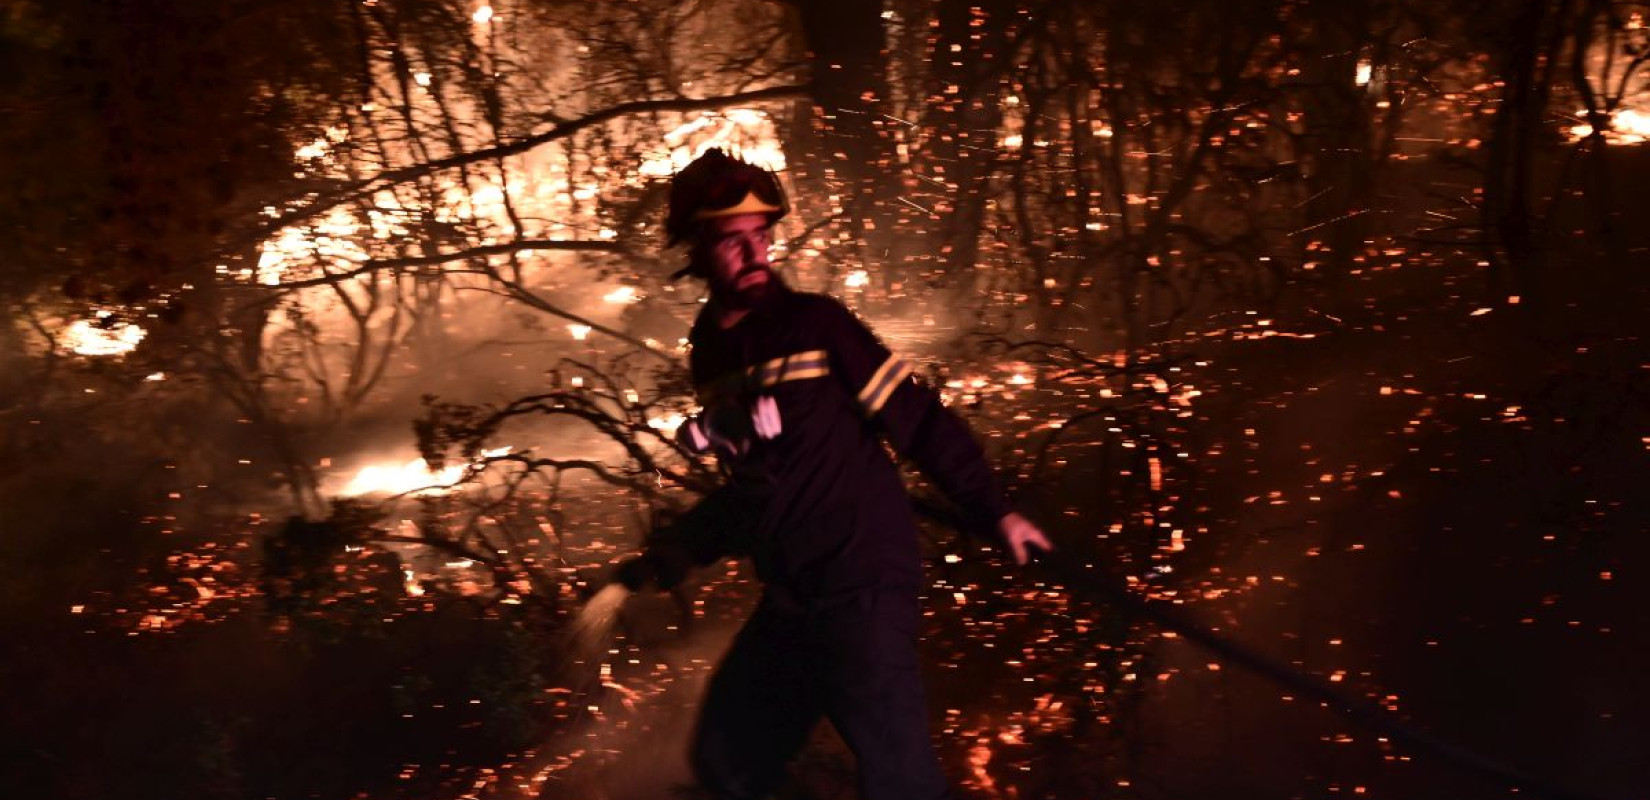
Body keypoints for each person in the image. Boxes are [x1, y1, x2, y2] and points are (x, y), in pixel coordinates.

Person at [615, 148, 1052, 800]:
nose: (755, 253)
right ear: (697, 250)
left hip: (860, 583)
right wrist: (681, 548)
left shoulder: (816, 325)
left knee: (900, 785)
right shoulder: (711, 349)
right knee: (727, 761)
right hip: (793, 595)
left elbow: (917, 420)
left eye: (761, 236)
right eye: (733, 241)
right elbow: (760, 487)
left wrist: (996, 510)